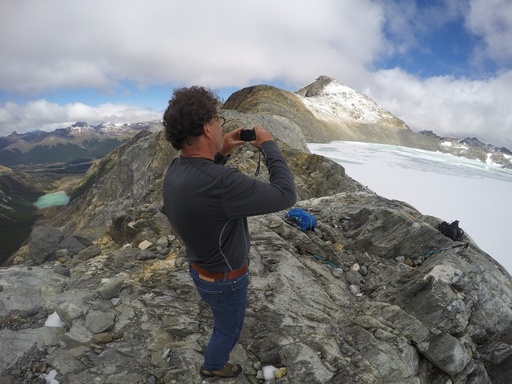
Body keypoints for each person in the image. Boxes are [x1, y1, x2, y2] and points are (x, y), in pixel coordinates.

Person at [162, 86, 296, 378]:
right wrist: (269, 145)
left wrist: (222, 151)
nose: (221, 125)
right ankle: (213, 367)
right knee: (228, 329)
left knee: (220, 314)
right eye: (217, 120)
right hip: (226, 279)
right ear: (207, 129)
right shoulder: (222, 182)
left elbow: (203, 190)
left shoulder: (175, 169)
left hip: (200, 269)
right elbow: (286, 195)